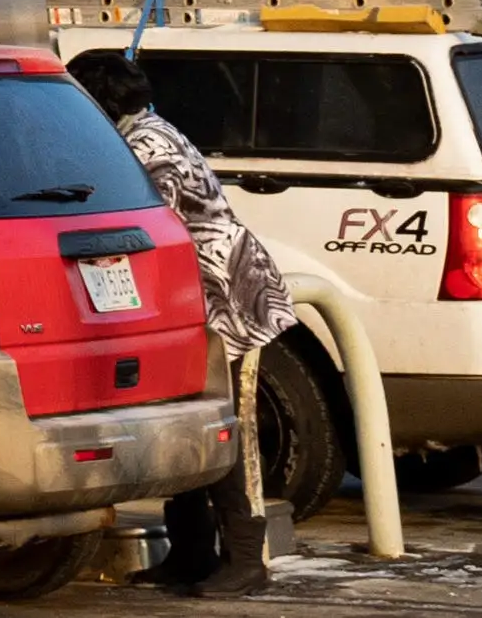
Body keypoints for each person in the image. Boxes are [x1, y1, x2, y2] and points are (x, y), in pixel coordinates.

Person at [102, 58, 292, 596]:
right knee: (189, 422)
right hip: (194, 297)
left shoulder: (145, 148)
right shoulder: (145, 132)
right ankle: (191, 552)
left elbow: (151, 224)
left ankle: (246, 557)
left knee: (228, 427)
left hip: (223, 299)